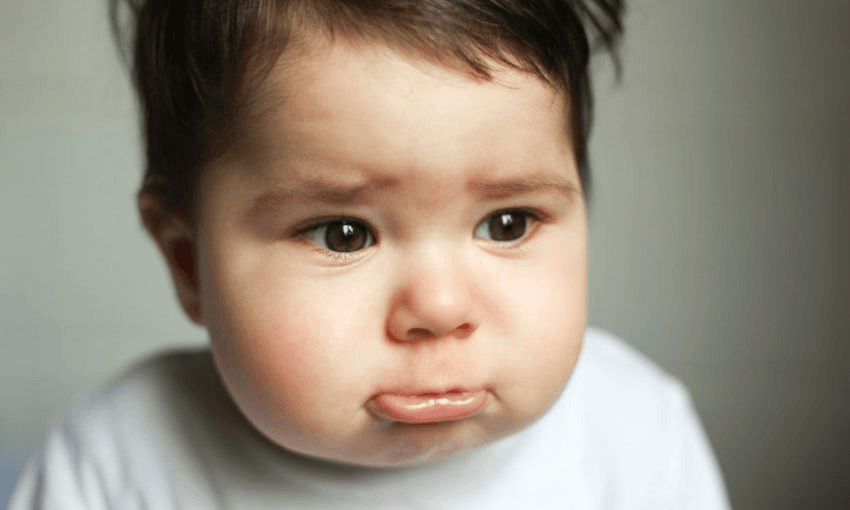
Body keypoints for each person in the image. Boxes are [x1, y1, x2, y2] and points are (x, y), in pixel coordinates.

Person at [7, 0, 731, 508]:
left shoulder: (633, 434)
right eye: (343, 234)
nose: (441, 308)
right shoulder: (114, 464)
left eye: (507, 223)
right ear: (187, 261)